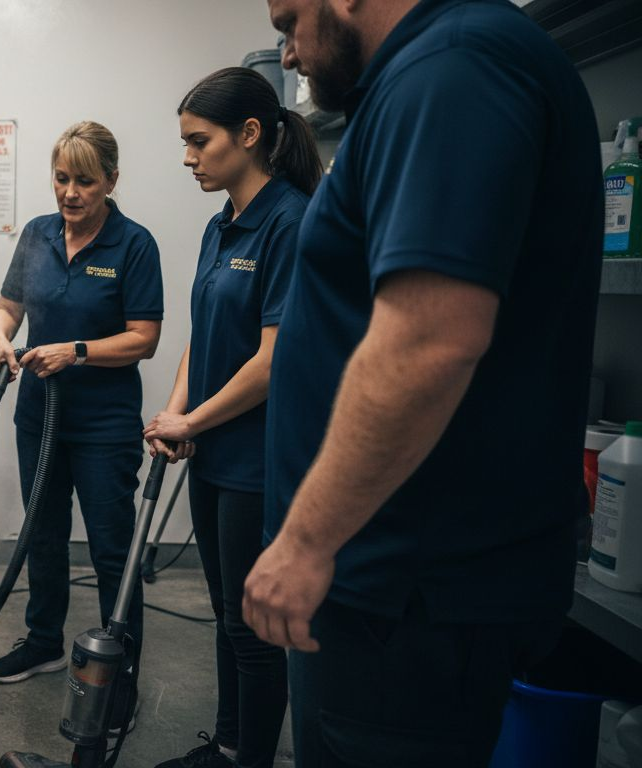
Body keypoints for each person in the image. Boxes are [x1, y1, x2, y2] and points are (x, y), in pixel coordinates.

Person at [243, 1, 603, 766]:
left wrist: (304, 542)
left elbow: (430, 340)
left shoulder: (453, 68)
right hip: (390, 587)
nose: (291, 56)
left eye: (290, 22)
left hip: (403, 599)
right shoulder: (428, 73)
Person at [145, 67, 320, 768]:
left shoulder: (290, 222)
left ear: (249, 135)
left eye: (199, 141)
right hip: (215, 451)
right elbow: (204, 333)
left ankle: (250, 759)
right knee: (226, 618)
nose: (188, 157)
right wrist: (176, 409)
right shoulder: (223, 224)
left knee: (252, 629)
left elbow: (274, 362)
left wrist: (195, 423)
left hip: (260, 460)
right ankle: (226, 746)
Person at [0, 121, 163, 725]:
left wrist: (77, 351)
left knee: (113, 548)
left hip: (104, 423)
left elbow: (144, 338)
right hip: (38, 415)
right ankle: (42, 641)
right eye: (62, 178)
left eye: (85, 180)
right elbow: (7, 307)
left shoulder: (133, 245)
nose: (70, 192)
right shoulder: (37, 235)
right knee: (43, 532)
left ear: (111, 180)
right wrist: (0, 340)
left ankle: (121, 674)